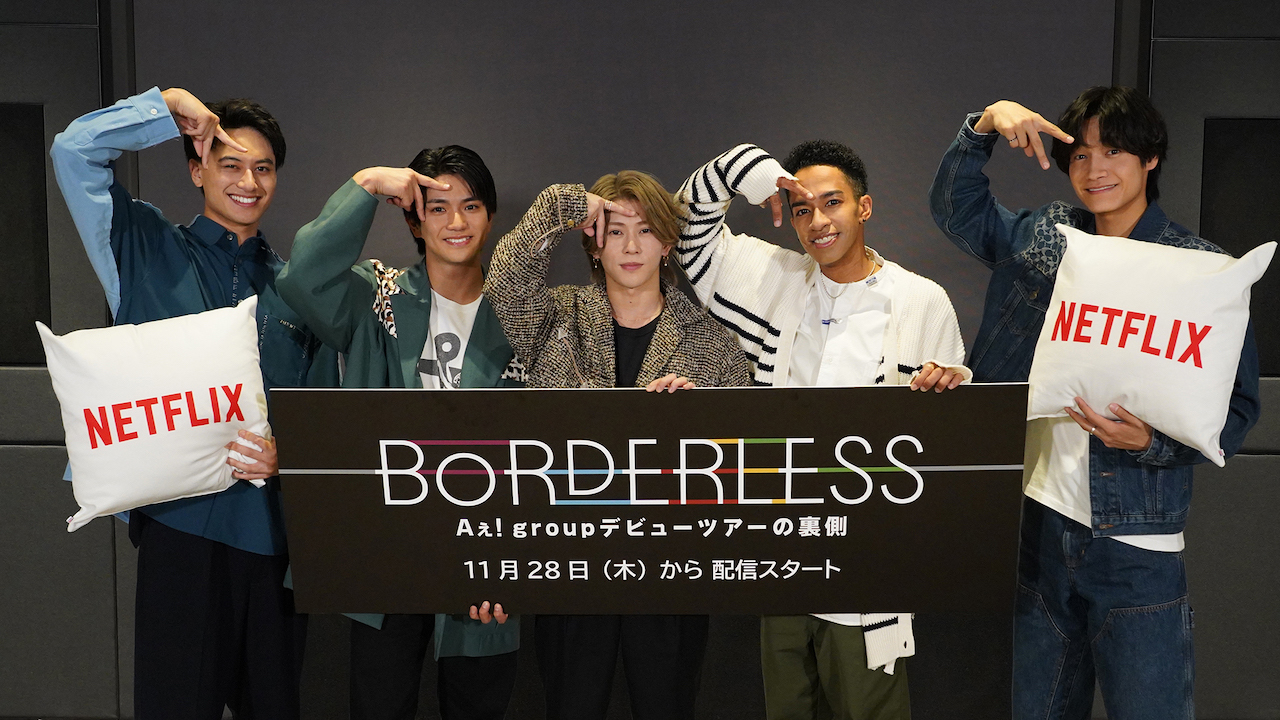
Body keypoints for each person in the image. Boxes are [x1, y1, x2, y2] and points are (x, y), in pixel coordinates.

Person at [928, 86, 1261, 720]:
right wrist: (985, 125)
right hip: (1037, 525)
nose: (1094, 169)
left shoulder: (1199, 271)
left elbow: (1238, 408)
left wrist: (1152, 443)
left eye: (1113, 152)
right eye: (1080, 155)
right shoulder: (1050, 239)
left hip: (1136, 543)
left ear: (1150, 159)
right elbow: (956, 209)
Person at [50, 87, 326, 719]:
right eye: (230, 165)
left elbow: (316, 408)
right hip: (180, 534)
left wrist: (289, 454)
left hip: (274, 540)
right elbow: (73, 151)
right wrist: (167, 107)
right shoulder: (143, 245)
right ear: (197, 169)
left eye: (264, 168)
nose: (248, 182)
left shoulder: (294, 285)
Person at [674, 140, 970, 719]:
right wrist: (747, 170)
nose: (817, 222)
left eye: (832, 203)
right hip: (786, 556)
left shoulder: (921, 301)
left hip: (870, 568)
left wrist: (946, 388)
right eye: (802, 209)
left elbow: (945, 448)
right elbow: (686, 228)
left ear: (865, 207)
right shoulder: (775, 280)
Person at [483, 171, 752, 719]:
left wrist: (699, 424)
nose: (631, 246)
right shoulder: (556, 317)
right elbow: (505, 284)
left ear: (668, 243)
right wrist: (563, 204)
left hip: (672, 571)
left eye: (646, 230)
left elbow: (744, 466)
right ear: (593, 242)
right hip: (572, 563)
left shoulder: (712, 342)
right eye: (615, 230)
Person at [277, 146, 523, 720]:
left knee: (478, 701)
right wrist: (365, 185)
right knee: (380, 703)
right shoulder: (377, 295)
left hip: (483, 554)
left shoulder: (520, 314)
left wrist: (516, 561)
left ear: (490, 217)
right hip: (387, 550)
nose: (456, 222)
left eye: (471, 206)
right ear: (414, 221)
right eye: (438, 208)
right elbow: (303, 279)